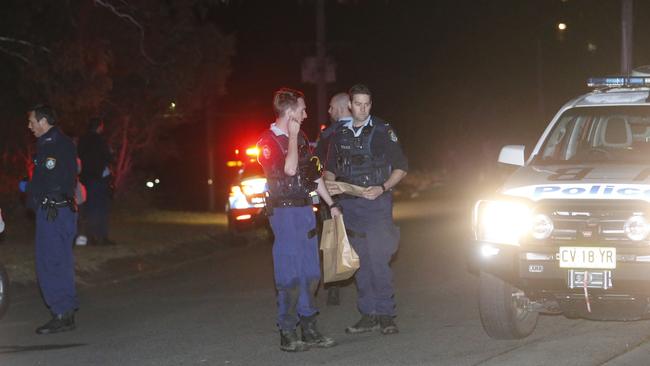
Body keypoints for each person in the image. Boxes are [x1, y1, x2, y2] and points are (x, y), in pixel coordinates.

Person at [257, 87, 341, 352]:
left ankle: (309, 326)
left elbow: (312, 173)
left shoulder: (302, 138)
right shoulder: (268, 142)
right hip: (284, 213)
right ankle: (288, 331)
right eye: (302, 109)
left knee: (311, 272)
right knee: (290, 274)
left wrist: (332, 203)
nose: (306, 114)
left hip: (305, 211)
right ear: (290, 111)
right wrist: (292, 138)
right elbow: (290, 169)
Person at [324, 84, 408, 335]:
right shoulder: (338, 133)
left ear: (371, 105)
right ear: (349, 105)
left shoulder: (382, 130)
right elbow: (329, 166)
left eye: (367, 104)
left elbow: (401, 167)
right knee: (359, 261)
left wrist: (382, 187)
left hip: (376, 204)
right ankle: (368, 314)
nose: (362, 109)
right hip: (350, 205)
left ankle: (386, 314)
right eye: (357, 104)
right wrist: (330, 183)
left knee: (379, 259)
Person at [25, 104, 79, 334]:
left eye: (32, 122)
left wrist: (35, 196)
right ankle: (65, 312)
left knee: (50, 262)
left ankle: (62, 313)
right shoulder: (56, 143)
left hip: (53, 212)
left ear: (44, 121)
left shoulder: (53, 144)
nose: (30, 127)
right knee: (60, 260)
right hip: (59, 211)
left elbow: (52, 178)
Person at [314, 92, 353, 306]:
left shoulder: (328, 135)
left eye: (331, 107)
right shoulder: (364, 128)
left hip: (334, 195)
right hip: (358, 195)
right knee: (358, 237)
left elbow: (317, 165)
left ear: (340, 108)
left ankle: (333, 286)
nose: (328, 111)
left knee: (331, 241)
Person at [77, 117, 114, 246]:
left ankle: (91, 236)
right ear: (99, 127)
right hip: (99, 177)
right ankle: (102, 236)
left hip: (86, 178)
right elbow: (109, 157)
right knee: (101, 207)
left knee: (90, 207)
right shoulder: (100, 141)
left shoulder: (82, 140)